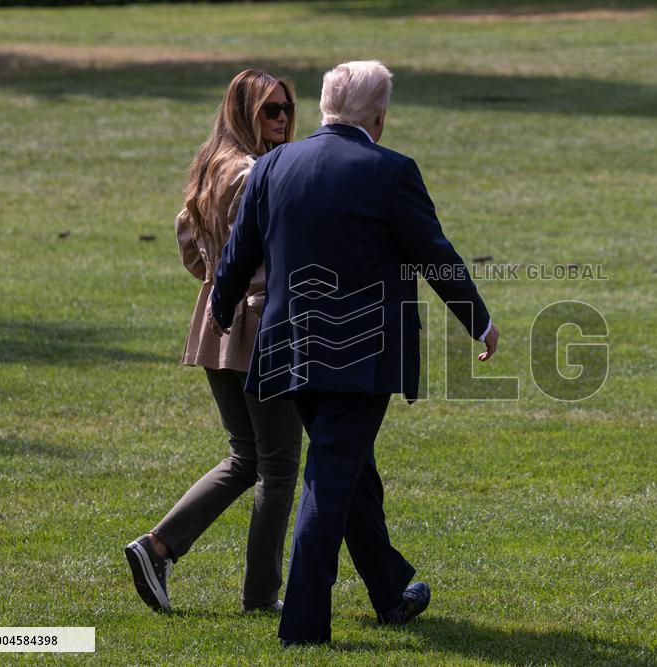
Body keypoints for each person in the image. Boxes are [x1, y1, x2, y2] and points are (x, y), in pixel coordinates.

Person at [209, 60, 499, 646]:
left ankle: (390, 593)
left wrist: (221, 307)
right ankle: (303, 626)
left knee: (351, 471)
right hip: (361, 357)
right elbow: (434, 255)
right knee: (331, 478)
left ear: (323, 107)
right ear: (379, 118)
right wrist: (480, 321)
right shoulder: (391, 171)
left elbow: (239, 250)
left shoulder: (273, 166)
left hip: (291, 349)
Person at [124, 69, 303, 614]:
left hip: (215, 325)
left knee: (246, 456)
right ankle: (260, 595)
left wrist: (216, 280)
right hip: (260, 324)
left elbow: (189, 244)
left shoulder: (211, 166)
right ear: (243, 112)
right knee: (277, 465)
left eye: (287, 109)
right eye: (270, 110)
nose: (282, 119)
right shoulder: (253, 174)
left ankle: (157, 547)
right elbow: (271, 252)